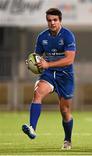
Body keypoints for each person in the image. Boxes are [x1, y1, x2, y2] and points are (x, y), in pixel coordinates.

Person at [22, 8, 76, 150]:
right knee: (38, 92)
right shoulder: (42, 37)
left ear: (60, 20)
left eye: (55, 20)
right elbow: (37, 56)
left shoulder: (67, 35)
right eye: (49, 20)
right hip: (48, 74)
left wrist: (48, 63)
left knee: (65, 111)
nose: (52, 23)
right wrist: (32, 63)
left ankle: (67, 140)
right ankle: (32, 128)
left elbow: (70, 59)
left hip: (65, 76)